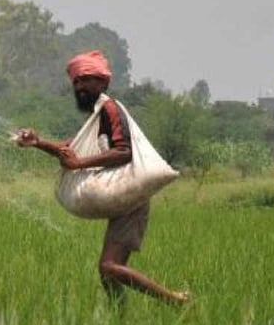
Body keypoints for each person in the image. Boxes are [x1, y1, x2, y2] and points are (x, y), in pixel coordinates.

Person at [15, 50, 189, 305]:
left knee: (109, 267)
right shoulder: (98, 114)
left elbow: (123, 151)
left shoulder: (110, 108)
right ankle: (121, 324)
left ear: (103, 82)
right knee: (108, 275)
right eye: (76, 82)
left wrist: (78, 164)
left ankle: (175, 301)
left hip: (131, 203)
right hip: (124, 199)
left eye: (86, 79)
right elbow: (71, 148)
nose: (80, 86)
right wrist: (38, 143)